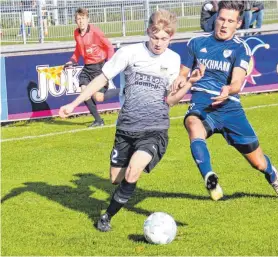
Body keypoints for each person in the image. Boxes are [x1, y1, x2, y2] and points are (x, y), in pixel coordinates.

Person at [58, 9, 204, 232]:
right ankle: (121, 192)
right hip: (126, 127)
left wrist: (188, 84)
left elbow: (171, 100)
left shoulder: (173, 60)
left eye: (164, 39)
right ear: (148, 32)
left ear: (171, 37)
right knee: (115, 178)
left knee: (132, 172)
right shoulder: (129, 53)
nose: (158, 43)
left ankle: (106, 216)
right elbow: (101, 79)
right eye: (155, 37)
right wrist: (74, 103)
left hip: (155, 129)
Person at [173, 0, 278, 201]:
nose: (224, 25)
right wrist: (181, 79)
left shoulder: (240, 48)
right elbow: (183, 73)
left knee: (258, 162)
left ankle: (272, 175)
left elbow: (237, 81)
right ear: (215, 19)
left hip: (230, 108)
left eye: (230, 21)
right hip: (202, 104)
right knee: (192, 123)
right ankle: (209, 176)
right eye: (221, 19)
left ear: (238, 23)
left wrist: (228, 89)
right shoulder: (196, 43)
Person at [65, 8, 115, 127]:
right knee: (84, 93)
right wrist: (72, 60)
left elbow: (109, 47)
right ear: (76, 21)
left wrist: (109, 64)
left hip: (99, 67)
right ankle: (98, 120)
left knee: (98, 97)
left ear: (88, 19)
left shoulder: (95, 32)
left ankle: (120, 91)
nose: (81, 21)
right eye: (78, 19)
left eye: (83, 18)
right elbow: (78, 49)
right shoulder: (76, 33)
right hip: (87, 68)